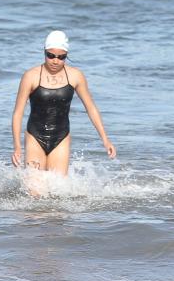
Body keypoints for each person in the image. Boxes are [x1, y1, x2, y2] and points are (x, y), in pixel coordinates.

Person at [11, 30, 116, 185]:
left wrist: (105, 139)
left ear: (66, 55)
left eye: (61, 57)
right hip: (34, 136)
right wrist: (17, 147)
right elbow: (18, 113)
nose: (55, 61)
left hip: (61, 138)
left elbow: (91, 108)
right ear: (44, 52)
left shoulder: (75, 76)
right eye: (51, 55)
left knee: (57, 192)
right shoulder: (31, 76)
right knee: (35, 192)